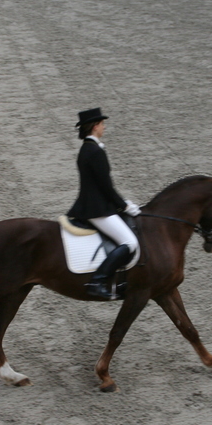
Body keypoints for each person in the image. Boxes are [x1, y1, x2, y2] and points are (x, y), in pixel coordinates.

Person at [67, 108, 141, 299]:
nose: (104, 127)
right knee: (130, 242)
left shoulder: (86, 148)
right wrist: (125, 206)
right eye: (102, 124)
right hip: (97, 209)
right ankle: (97, 281)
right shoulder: (95, 151)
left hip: (95, 205)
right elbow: (106, 186)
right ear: (95, 126)